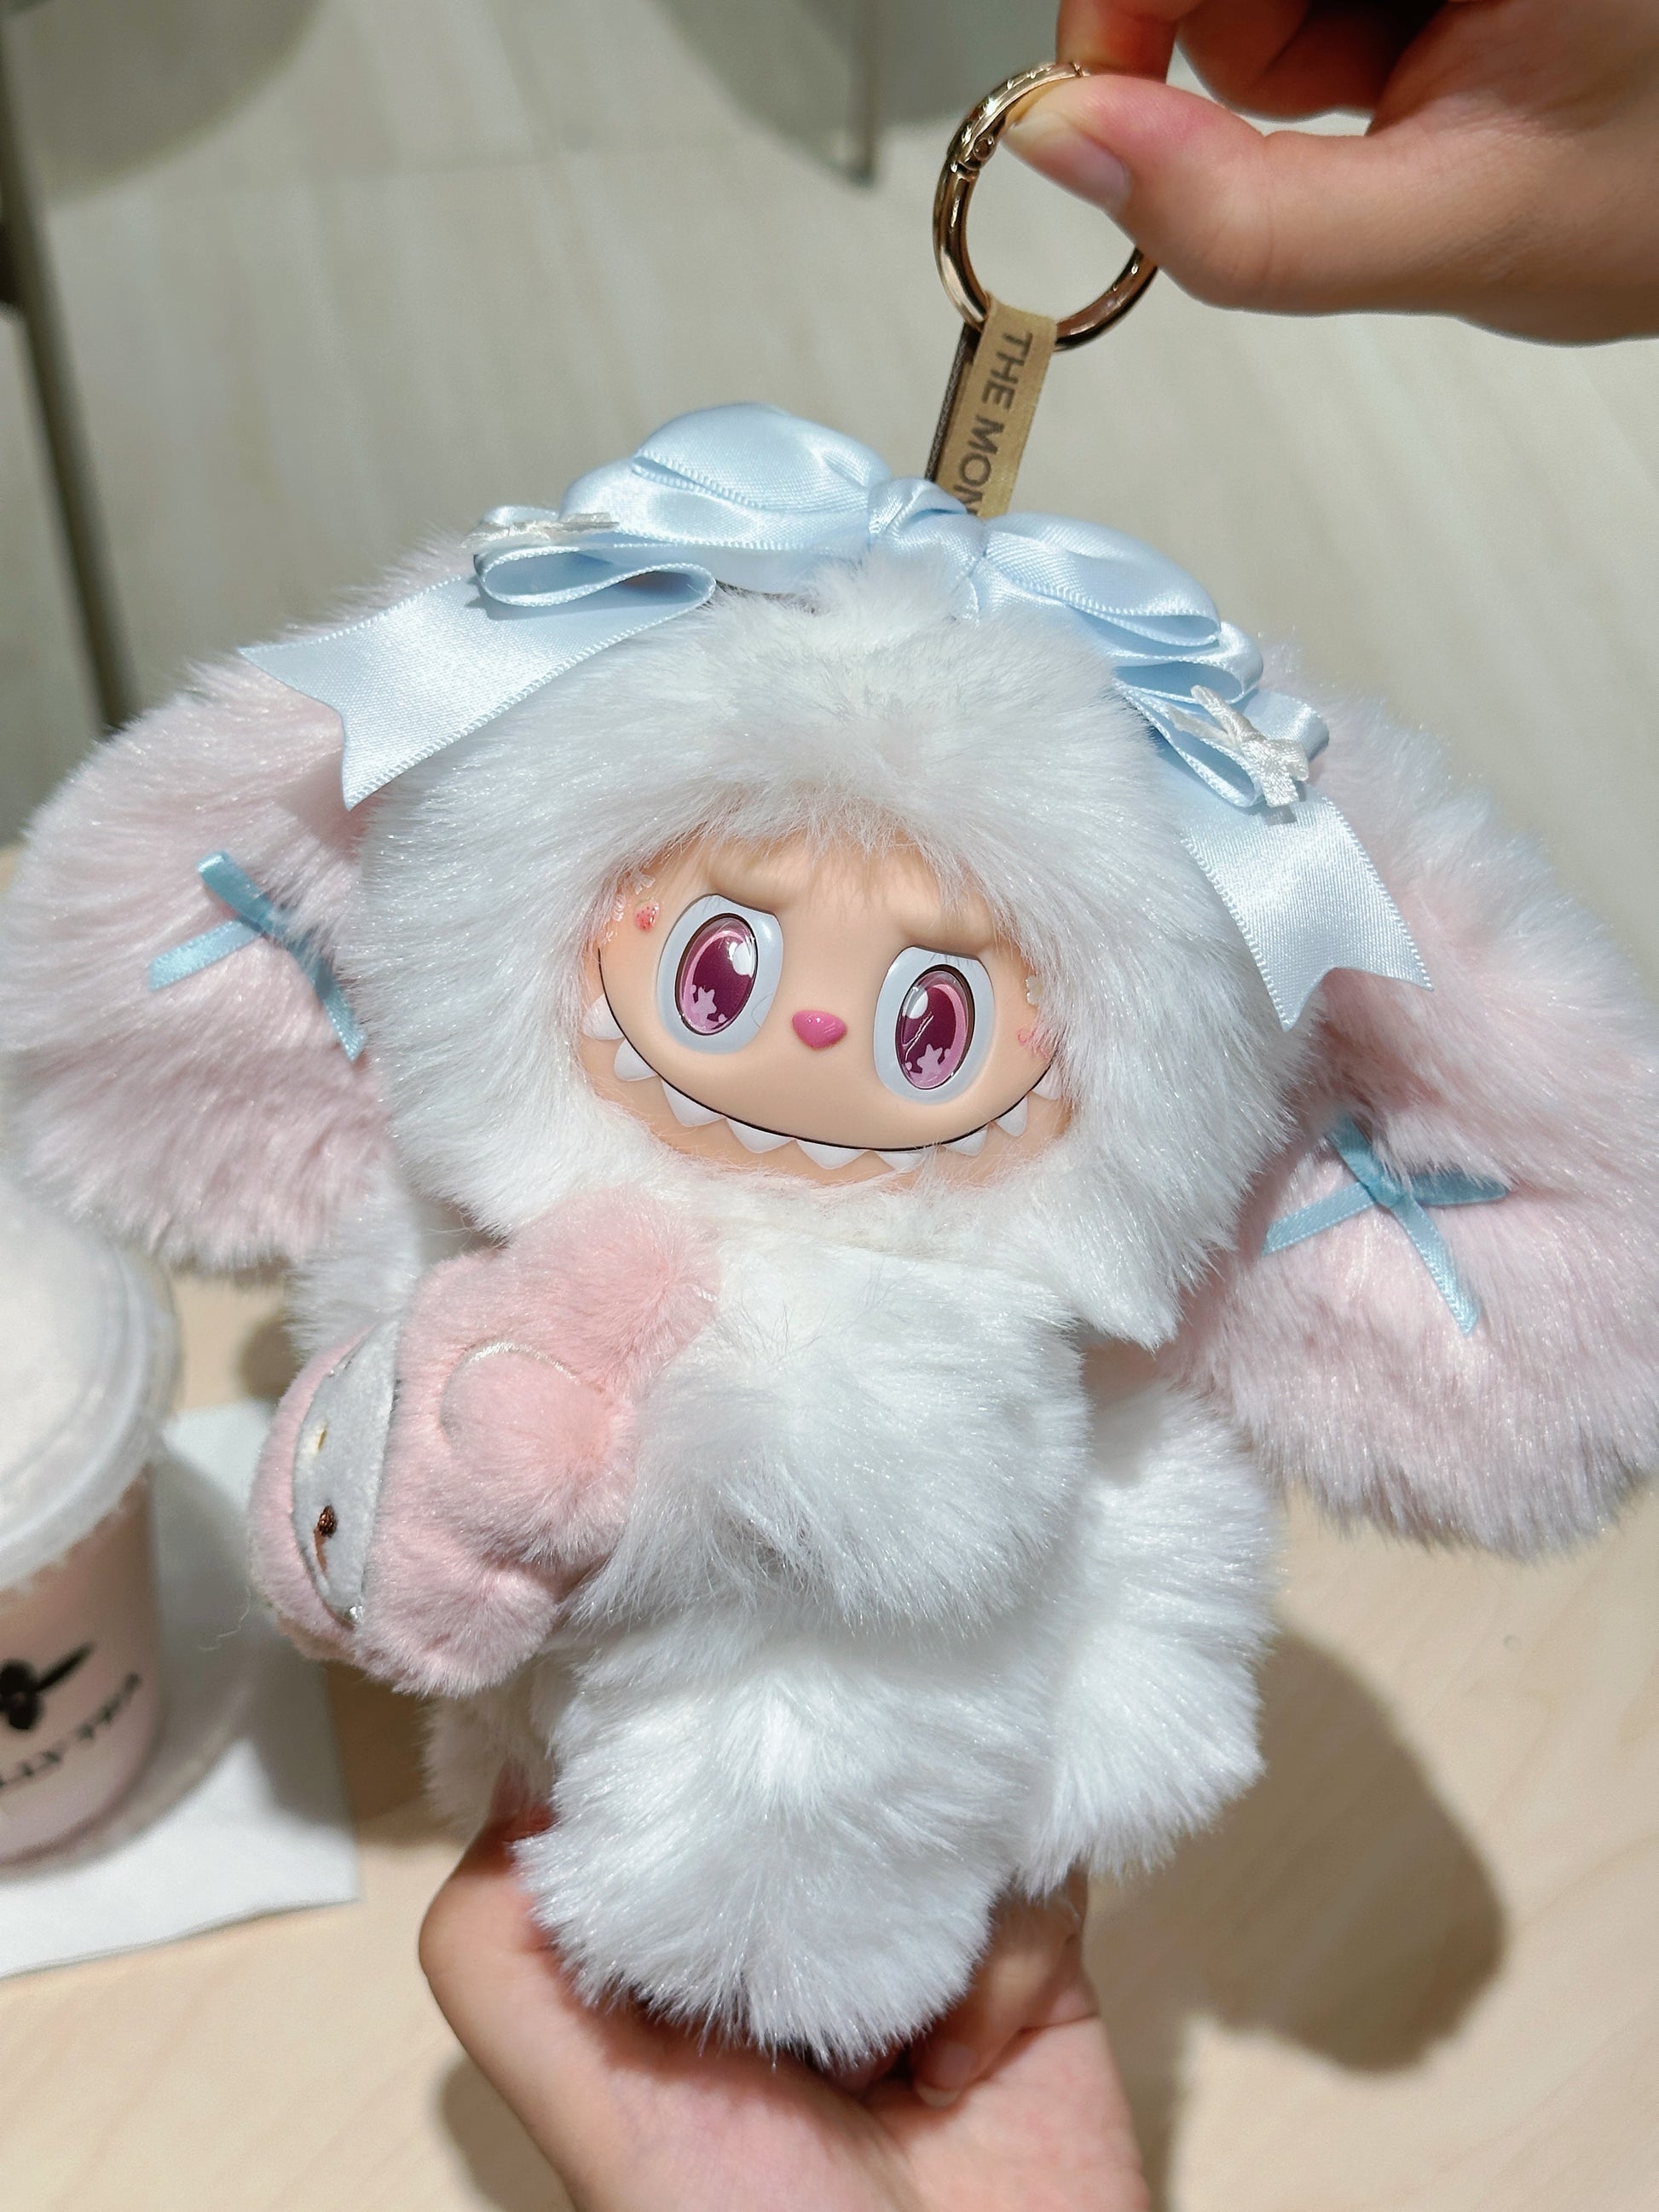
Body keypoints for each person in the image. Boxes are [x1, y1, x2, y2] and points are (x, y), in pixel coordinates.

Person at [421, 6, 1659, 2203]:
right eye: (721, 970)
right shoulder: (524, 1224)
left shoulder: (1063, 1312)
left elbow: (1098, 1568)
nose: (810, 1048)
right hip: (587, 1722)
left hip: (932, 1787)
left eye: (931, 1023)